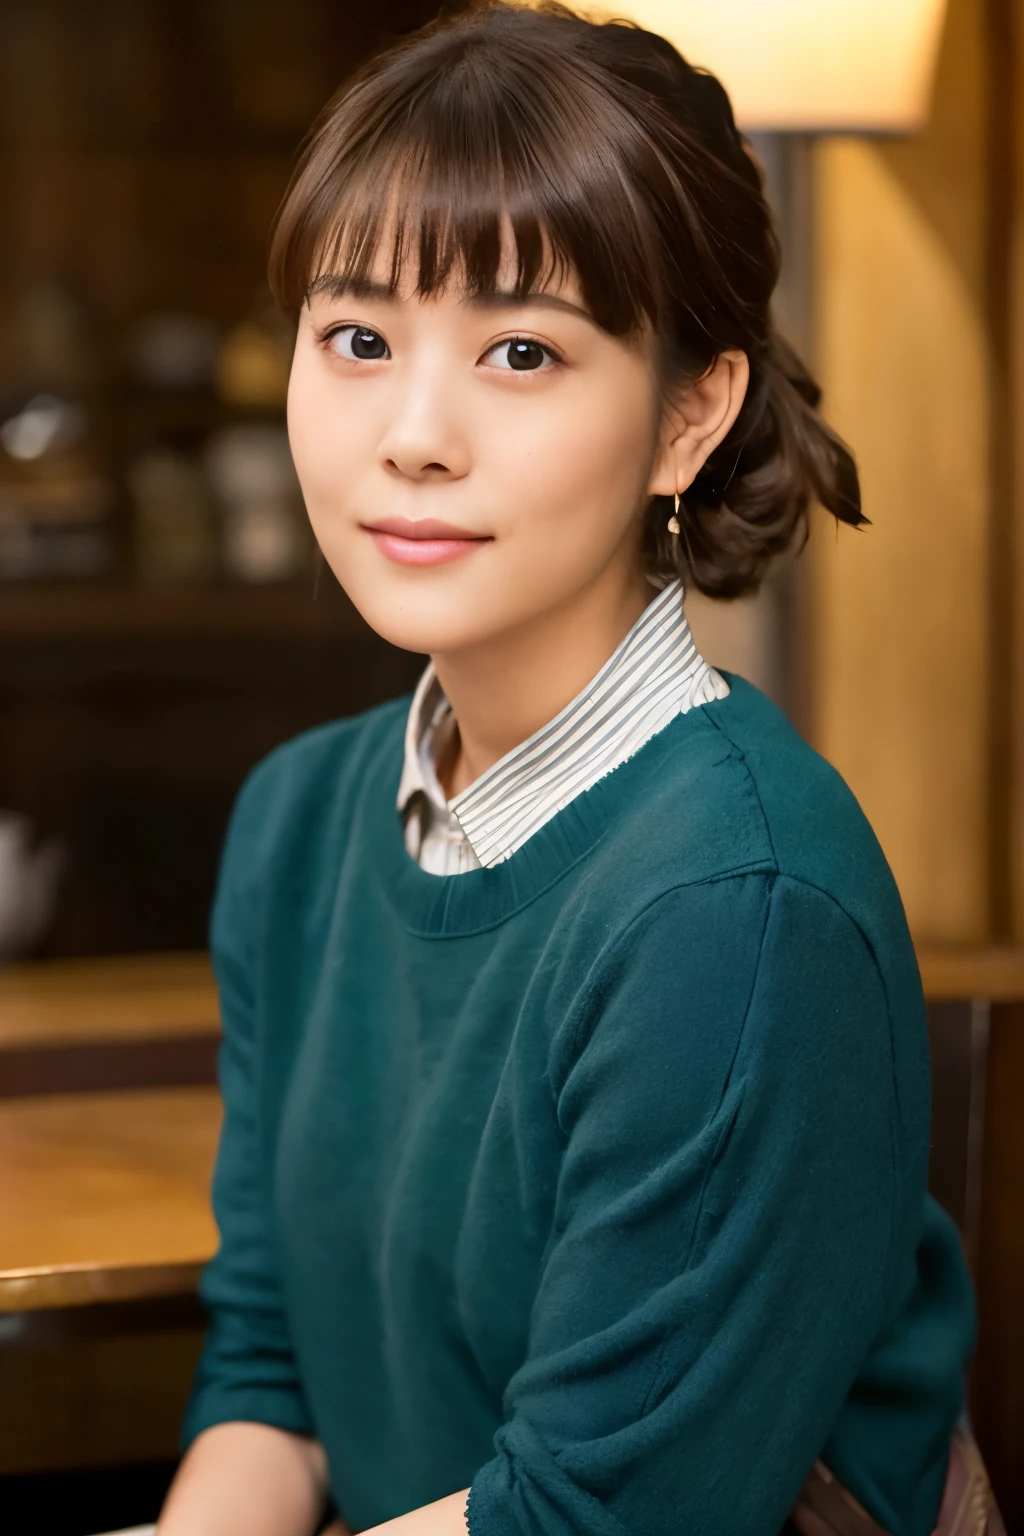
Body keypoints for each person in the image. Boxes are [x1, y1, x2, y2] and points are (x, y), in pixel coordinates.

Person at [156, 5, 994, 1534]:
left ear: (690, 412)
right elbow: (273, 1372)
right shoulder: (297, 821)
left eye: (522, 351)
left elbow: (595, 1520)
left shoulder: (740, 909)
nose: (410, 435)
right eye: (356, 338)